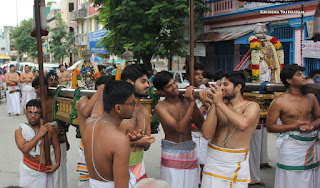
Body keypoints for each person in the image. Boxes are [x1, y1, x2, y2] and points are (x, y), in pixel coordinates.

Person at [199, 71, 260, 187]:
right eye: (220, 85)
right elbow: (207, 134)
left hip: (235, 161)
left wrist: (219, 103)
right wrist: (213, 105)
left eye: (225, 85)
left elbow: (243, 124)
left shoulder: (251, 106)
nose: (221, 88)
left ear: (238, 87)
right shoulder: (218, 105)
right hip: (214, 160)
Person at [266, 64, 320, 188]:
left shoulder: (311, 96)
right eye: (299, 74)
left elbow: (319, 117)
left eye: (303, 74)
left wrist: (312, 125)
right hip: (291, 146)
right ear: (289, 80)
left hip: (311, 144)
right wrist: (295, 127)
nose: (304, 77)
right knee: (290, 179)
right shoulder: (279, 102)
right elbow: (270, 127)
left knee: (310, 176)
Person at [153, 71, 204, 188]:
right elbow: (179, 128)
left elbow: (201, 124)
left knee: (191, 185)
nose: (175, 87)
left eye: (174, 83)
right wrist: (191, 103)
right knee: (172, 185)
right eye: (169, 86)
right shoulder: (161, 107)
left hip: (190, 150)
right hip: (171, 153)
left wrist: (193, 103)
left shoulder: (186, 100)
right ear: (162, 91)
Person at [82, 80, 137, 188]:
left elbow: (98, 108)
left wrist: (105, 89)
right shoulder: (120, 140)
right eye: (132, 103)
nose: (134, 107)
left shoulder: (90, 123)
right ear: (118, 108)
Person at [120, 64, 156, 182]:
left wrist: (144, 141)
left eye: (147, 81)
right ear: (130, 83)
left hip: (140, 167)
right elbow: (108, 142)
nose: (147, 85)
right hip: (118, 168)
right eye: (143, 81)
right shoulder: (118, 110)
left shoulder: (145, 111)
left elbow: (146, 146)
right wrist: (139, 141)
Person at [77, 75, 114, 188]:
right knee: (86, 184)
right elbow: (86, 112)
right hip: (87, 150)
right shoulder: (84, 99)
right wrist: (101, 91)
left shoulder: (109, 104)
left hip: (104, 150)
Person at [15, 99, 61, 188]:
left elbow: (56, 146)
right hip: (28, 171)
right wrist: (39, 134)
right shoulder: (20, 131)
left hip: (45, 171)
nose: (33, 116)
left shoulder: (49, 128)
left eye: (36, 113)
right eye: (30, 112)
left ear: (41, 113)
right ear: (25, 112)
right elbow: (24, 149)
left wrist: (57, 164)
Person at [186, 63, 210, 184]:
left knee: (204, 163)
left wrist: (203, 101)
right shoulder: (185, 91)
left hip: (203, 132)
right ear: (189, 76)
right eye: (196, 74)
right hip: (191, 132)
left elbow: (211, 107)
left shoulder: (205, 91)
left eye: (202, 74)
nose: (200, 77)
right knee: (192, 165)